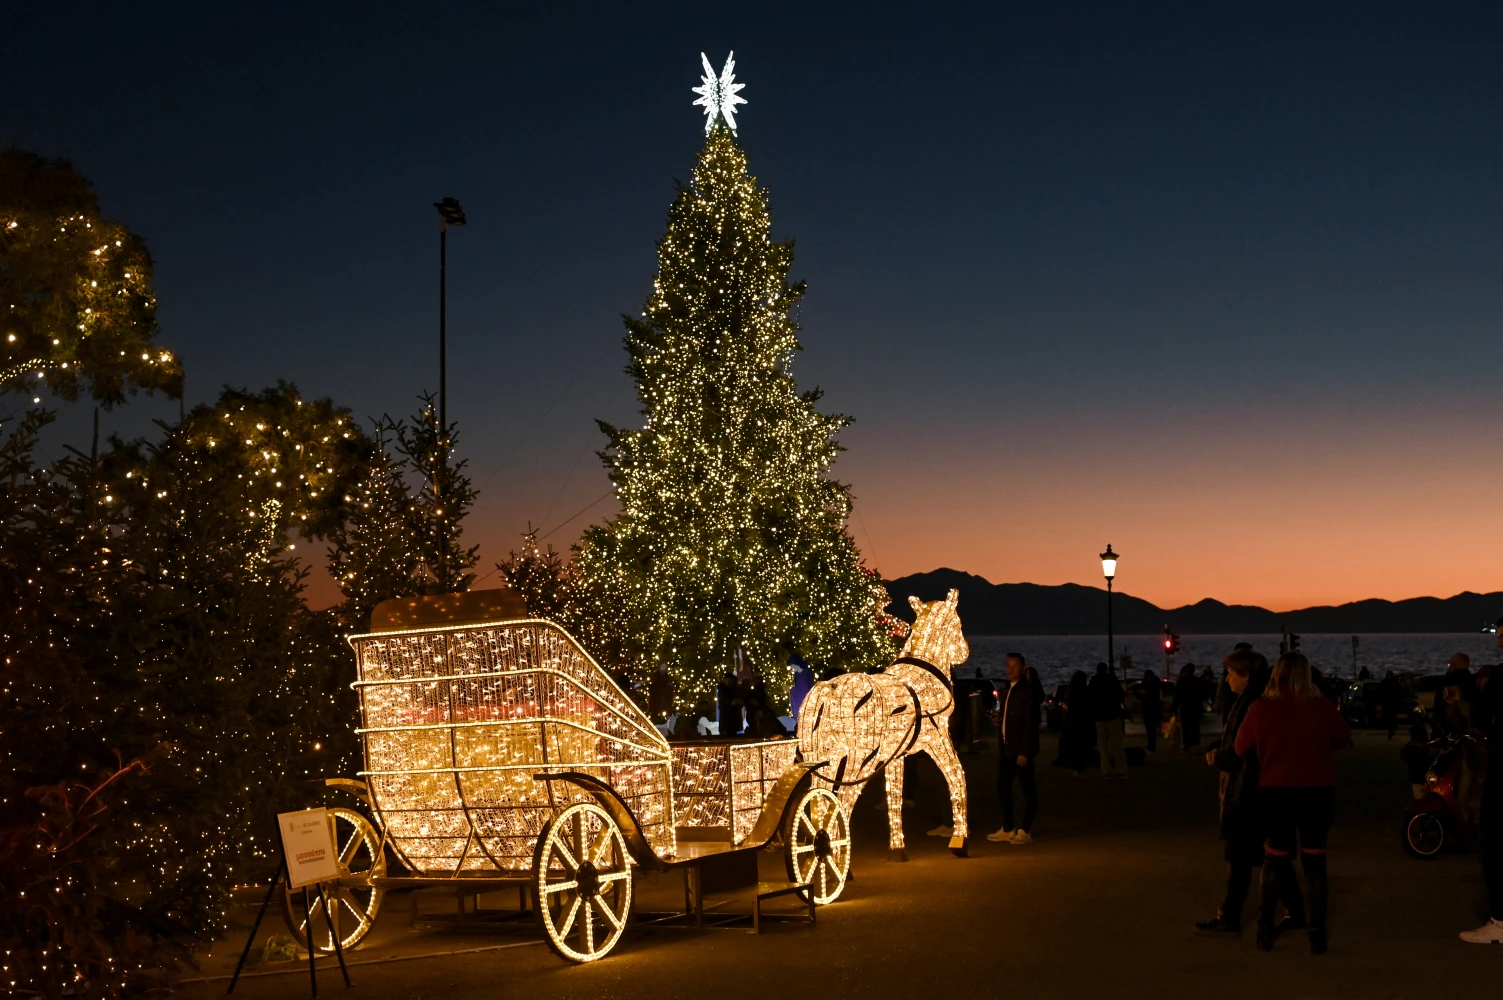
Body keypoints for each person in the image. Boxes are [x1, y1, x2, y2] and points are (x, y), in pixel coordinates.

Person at [1235, 651, 1353, 954]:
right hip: (1317, 792)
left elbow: (1239, 746)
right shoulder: (1322, 707)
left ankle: (1263, 931)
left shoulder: (1261, 708)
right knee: (1314, 862)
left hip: (1277, 792)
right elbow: (1341, 739)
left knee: (1274, 860)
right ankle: (1317, 934)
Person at [1196, 648, 1270, 933]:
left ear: (1246, 676)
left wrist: (1220, 757)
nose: (1226, 679)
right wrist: (1217, 749)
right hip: (1248, 789)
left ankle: (1231, 915)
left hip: (1246, 791)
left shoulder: (1251, 705)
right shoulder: (1248, 702)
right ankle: (1293, 908)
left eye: (1230, 673)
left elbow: (1245, 752)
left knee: (1243, 857)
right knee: (1260, 856)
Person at [1460, 623, 1503, 943]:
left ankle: (1500, 922)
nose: (1500, 641)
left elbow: (1479, 713)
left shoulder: (1500, 677)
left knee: (1493, 843)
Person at [988, 653, 1040, 844]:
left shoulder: (1026, 691)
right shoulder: (1010, 690)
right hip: (1007, 749)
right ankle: (1008, 827)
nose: (1010, 670)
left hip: (1019, 750)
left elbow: (1029, 723)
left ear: (1023, 668)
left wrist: (1024, 752)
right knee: (1002, 787)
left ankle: (1024, 830)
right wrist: (999, 720)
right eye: (1008, 666)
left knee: (1028, 790)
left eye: (1015, 666)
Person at [1088, 662, 1128, 777]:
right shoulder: (1111, 680)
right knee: (1117, 745)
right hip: (1112, 715)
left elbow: (1090, 698)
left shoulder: (1093, 682)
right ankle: (1121, 770)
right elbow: (1120, 695)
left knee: (1103, 746)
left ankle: (1106, 770)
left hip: (1099, 717)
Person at [1063, 670, 1094, 776]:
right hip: (1083, 722)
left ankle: (1076, 768)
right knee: (1082, 746)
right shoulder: (1085, 692)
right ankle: (1081, 767)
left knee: (1075, 745)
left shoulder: (1071, 693)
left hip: (1073, 722)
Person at [1172, 664, 1205, 753]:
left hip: (1185, 707)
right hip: (1195, 707)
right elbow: (1202, 694)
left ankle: (1186, 744)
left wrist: (1174, 708)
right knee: (1195, 726)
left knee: (1185, 727)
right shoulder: (1198, 681)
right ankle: (1195, 743)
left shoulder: (1182, 682)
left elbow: (1177, 696)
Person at [1139, 670, 1163, 753]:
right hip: (1155, 709)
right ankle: (1152, 746)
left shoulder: (1146, 684)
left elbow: (1142, 694)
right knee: (1152, 729)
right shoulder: (1157, 684)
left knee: (1150, 729)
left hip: (1148, 709)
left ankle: (1151, 746)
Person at [1378, 670, 1403, 740]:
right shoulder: (1392, 683)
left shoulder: (1391, 683)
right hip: (1388, 703)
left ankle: (1391, 730)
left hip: (1391, 703)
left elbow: (1399, 693)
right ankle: (1391, 730)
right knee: (1390, 718)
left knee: (1391, 717)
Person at [716, 671, 741, 736]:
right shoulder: (723, 689)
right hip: (726, 717)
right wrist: (731, 702)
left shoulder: (733, 689)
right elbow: (723, 700)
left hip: (732, 718)